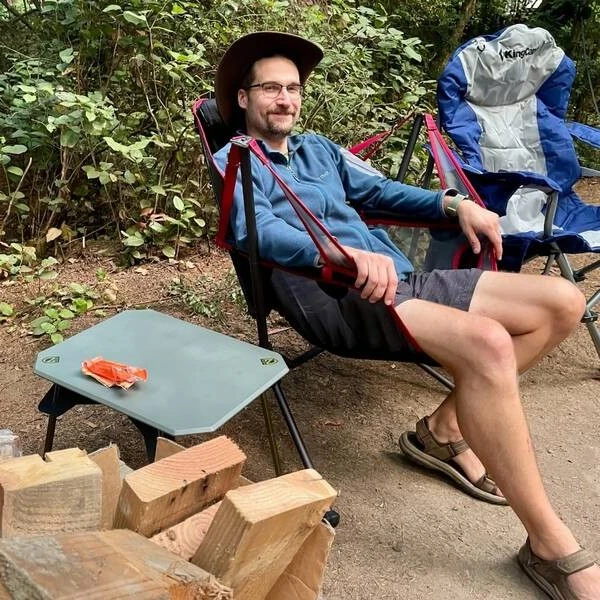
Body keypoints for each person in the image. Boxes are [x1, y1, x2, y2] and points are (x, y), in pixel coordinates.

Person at [212, 31, 599, 600]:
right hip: (340, 294)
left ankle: (442, 430)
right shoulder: (237, 160)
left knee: (562, 303)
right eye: (271, 88)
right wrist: (339, 255)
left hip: (399, 280)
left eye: (293, 88)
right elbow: (254, 231)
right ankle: (549, 545)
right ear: (244, 98)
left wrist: (454, 203)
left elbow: (380, 191)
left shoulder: (318, 150)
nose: (285, 99)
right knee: (490, 344)